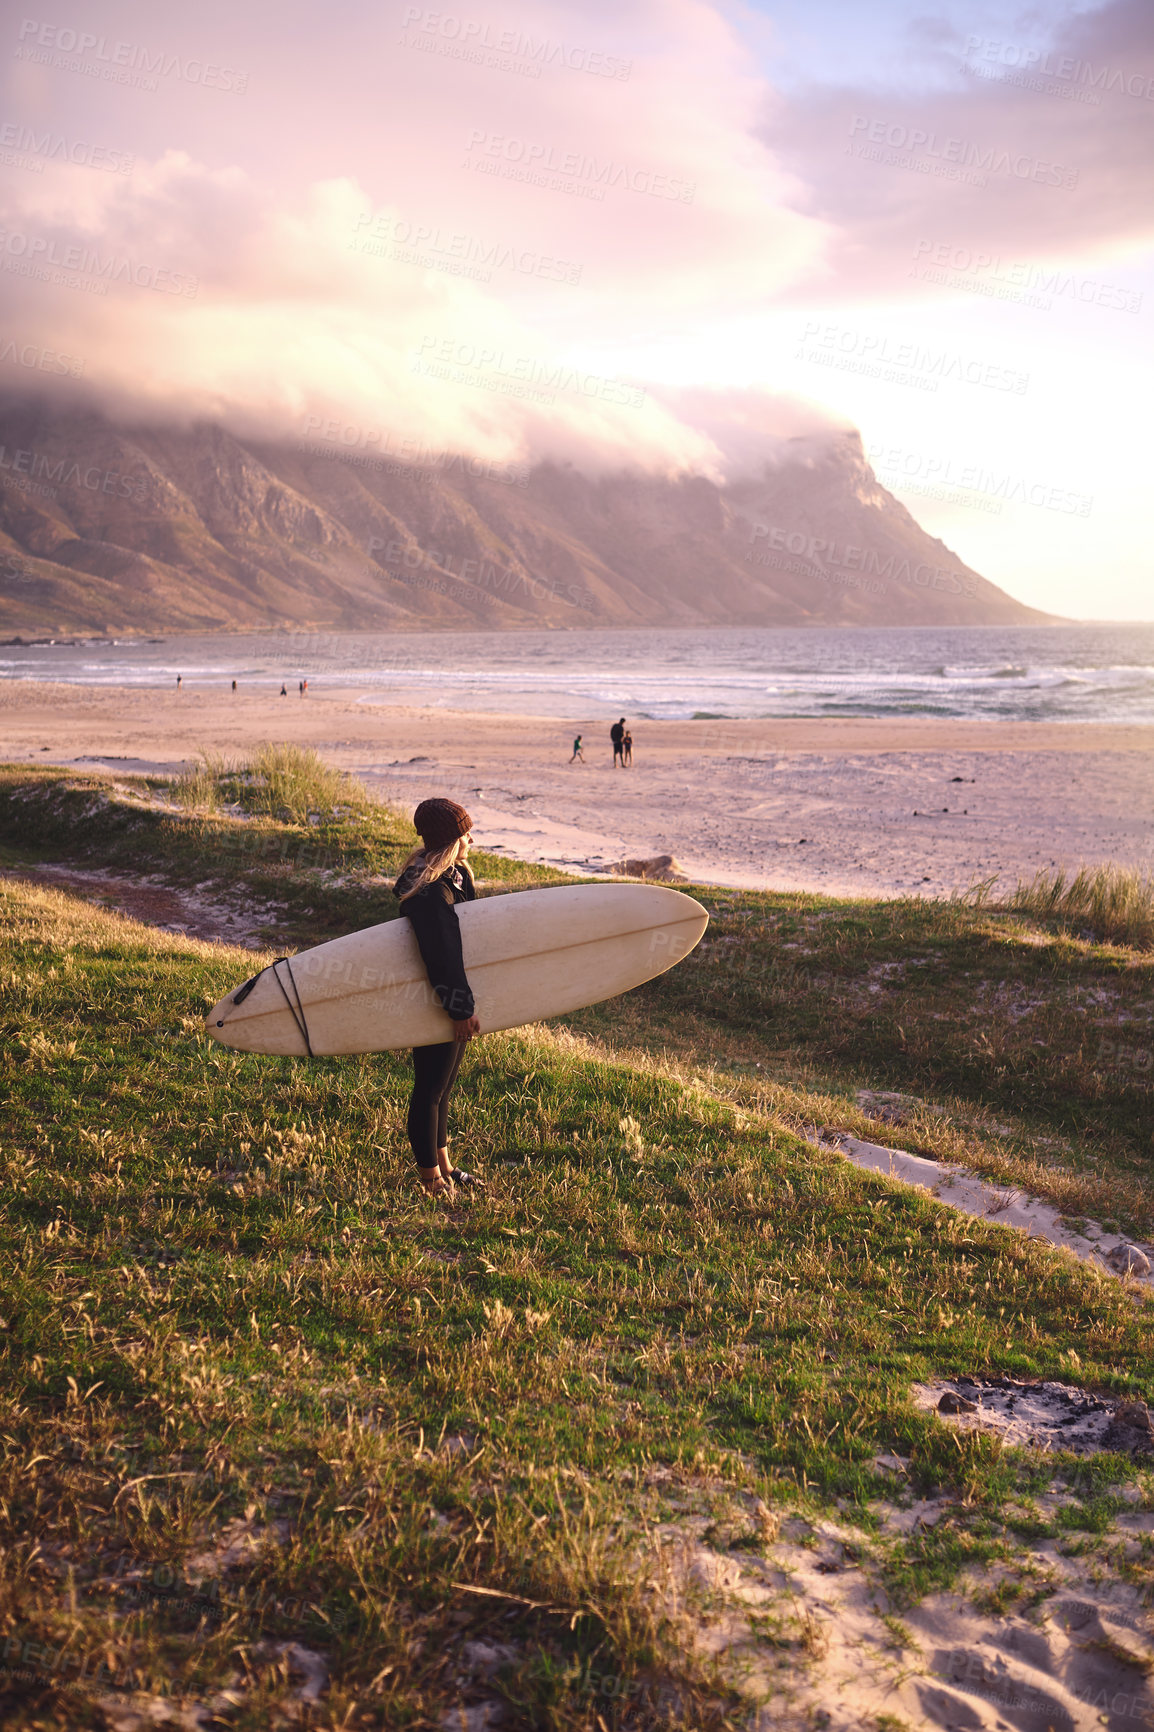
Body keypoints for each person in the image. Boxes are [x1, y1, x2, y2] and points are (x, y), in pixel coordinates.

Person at [393, 798, 482, 1200]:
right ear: (450, 839)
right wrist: (459, 1009)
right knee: (429, 1088)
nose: (471, 839)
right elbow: (442, 954)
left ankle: (445, 1164)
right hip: (435, 998)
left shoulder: (451, 878)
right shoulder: (431, 893)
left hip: (444, 997)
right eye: (465, 833)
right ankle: (430, 1178)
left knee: (442, 1088)